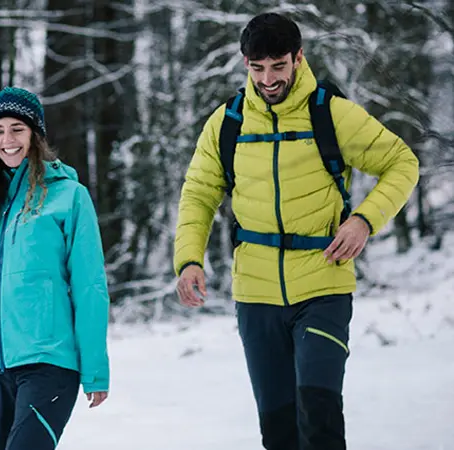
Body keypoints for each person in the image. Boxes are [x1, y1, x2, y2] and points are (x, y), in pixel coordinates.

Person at [173, 12, 419, 450]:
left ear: (298, 58)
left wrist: (364, 220)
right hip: (256, 295)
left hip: (323, 283)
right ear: (245, 63)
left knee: (319, 417)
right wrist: (189, 260)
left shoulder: (331, 113)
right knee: (279, 430)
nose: (268, 79)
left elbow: (402, 163)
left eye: (278, 66)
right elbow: (198, 194)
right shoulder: (227, 123)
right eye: (257, 67)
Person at [0, 86, 110, 450]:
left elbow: (90, 286)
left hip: (50, 365)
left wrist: (95, 369)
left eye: (17, 129)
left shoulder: (68, 197)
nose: (7, 140)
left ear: (35, 135)